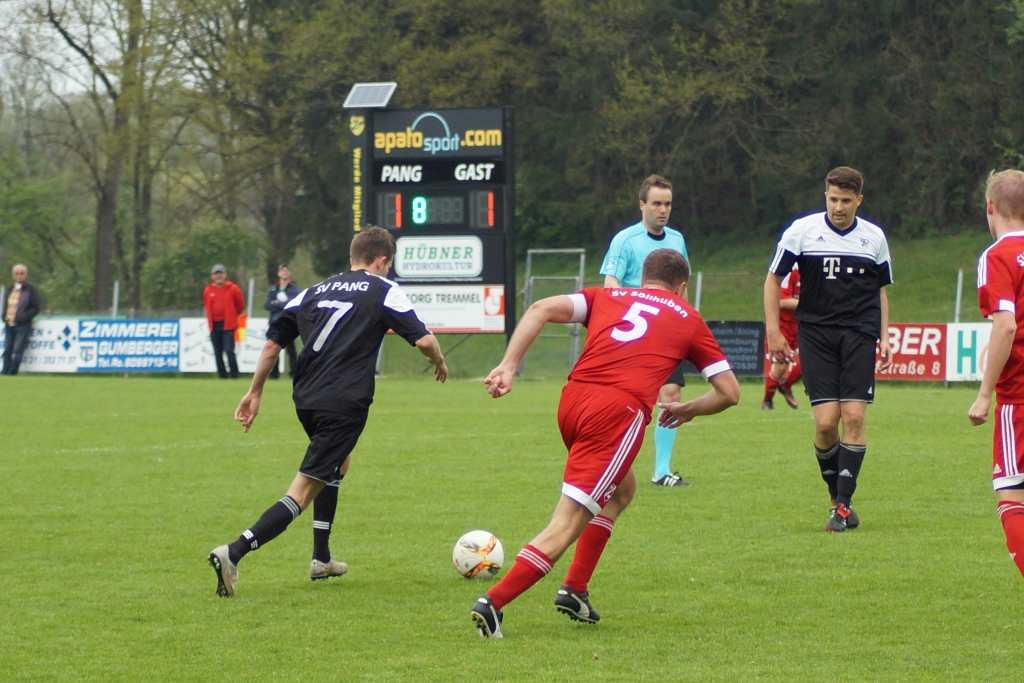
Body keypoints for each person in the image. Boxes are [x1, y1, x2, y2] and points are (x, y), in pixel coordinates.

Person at [470, 249, 739, 638]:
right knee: (568, 521)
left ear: (643, 278)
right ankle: (493, 603)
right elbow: (729, 392)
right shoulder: (687, 316)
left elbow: (540, 308)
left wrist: (509, 365)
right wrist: (689, 409)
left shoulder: (608, 295)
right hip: (615, 414)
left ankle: (574, 589)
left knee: (622, 490)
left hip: (572, 402)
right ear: (682, 287)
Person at [208, 227, 448, 597]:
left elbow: (272, 345)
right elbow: (425, 340)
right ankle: (234, 551)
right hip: (344, 402)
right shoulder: (384, 289)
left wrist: (254, 392)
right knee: (303, 490)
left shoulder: (312, 291)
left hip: (306, 397)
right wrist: (439, 360)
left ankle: (321, 559)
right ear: (381, 260)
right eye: (388, 265)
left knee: (339, 462)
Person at [764, 166, 892, 533]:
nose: (838, 207)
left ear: (859, 200)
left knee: (853, 417)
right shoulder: (802, 231)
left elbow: (880, 291)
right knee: (824, 424)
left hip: (859, 333)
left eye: (846, 201)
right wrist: (773, 331)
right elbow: (772, 280)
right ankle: (838, 497)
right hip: (816, 334)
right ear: (825, 196)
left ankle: (843, 505)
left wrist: (884, 335)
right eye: (833, 199)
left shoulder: (874, 238)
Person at [599, 174, 693, 487]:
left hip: (665, 334)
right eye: (656, 204)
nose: (662, 210)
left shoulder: (677, 240)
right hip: (635, 334)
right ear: (642, 205)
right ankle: (610, 466)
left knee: (671, 394)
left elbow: (682, 286)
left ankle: (662, 471)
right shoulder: (625, 241)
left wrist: (685, 323)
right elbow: (610, 284)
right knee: (625, 403)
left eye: (667, 204)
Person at [969, 169, 1024, 578]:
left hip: (1018, 398)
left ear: (990, 208)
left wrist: (984, 394)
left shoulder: (997, 256)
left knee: (1011, 494)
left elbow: (1006, 325)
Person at [762, 265, 802, 410]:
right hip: (783, 326)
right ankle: (767, 401)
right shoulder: (790, 269)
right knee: (780, 366)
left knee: (808, 361)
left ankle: (785, 385)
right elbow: (781, 301)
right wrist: (809, 304)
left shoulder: (814, 269)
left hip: (801, 325)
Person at [203, 264, 245, 379]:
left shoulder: (233, 288)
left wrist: (232, 315)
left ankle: (234, 376)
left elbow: (240, 305)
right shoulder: (208, 290)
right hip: (214, 325)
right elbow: (206, 306)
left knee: (229, 351)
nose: (219, 276)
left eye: (220, 273)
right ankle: (222, 377)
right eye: (216, 274)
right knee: (217, 352)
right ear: (212, 276)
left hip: (228, 325)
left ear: (225, 275)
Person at [2, 264, 41, 375]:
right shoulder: (9, 288)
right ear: (13, 275)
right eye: (17, 273)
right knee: (7, 349)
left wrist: (24, 317)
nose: (19, 275)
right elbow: (5, 304)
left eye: (22, 273)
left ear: (26, 275)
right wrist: (4, 316)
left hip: (23, 325)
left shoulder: (31, 289)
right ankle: (4, 371)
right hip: (9, 324)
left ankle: (12, 372)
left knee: (18, 350)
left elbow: (36, 308)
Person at [265, 264, 300, 378]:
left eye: (286, 270)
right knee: (273, 349)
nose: (284, 272)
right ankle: (274, 373)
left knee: (291, 350)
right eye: (282, 270)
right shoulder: (273, 289)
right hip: (274, 323)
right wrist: (282, 303)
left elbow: (293, 304)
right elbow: (267, 305)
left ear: (289, 273)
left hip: (288, 323)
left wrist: (277, 303)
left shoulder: (294, 290)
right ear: (278, 273)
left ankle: (294, 373)